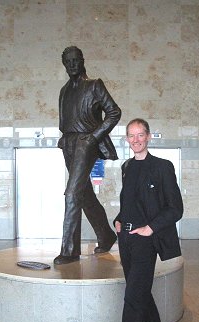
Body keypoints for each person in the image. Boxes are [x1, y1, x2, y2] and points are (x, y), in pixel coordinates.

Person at [100, 118, 183, 322]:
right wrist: (118, 219)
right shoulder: (126, 167)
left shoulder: (162, 167)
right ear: (127, 139)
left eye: (140, 135)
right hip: (125, 239)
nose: (135, 140)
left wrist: (151, 228)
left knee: (133, 295)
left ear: (147, 137)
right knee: (140, 288)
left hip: (146, 240)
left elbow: (175, 208)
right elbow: (130, 202)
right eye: (131, 136)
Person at [54, 46, 121, 265]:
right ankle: (106, 235)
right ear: (64, 64)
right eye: (68, 61)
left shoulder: (94, 85)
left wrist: (94, 137)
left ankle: (70, 250)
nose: (72, 64)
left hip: (86, 142)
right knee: (85, 195)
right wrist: (65, 139)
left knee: (72, 193)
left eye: (75, 60)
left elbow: (114, 112)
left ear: (82, 61)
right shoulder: (64, 90)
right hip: (69, 143)